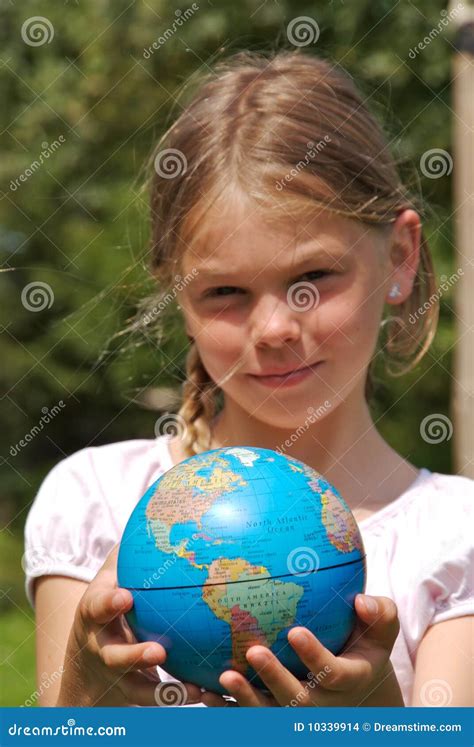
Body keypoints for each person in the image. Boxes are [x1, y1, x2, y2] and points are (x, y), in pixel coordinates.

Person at [24, 50, 473, 708]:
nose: (273, 329)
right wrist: (86, 699)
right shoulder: (97, 507)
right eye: (226, 291)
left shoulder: (454, 539)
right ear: (180, 296)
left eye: (313, 279)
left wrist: (373, 720)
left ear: (400, 257)